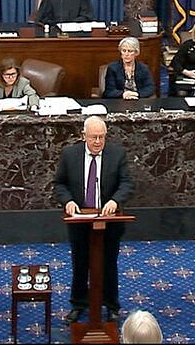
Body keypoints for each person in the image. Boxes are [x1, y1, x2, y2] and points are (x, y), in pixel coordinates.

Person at [54, 116, 135, 324]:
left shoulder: (117, 155)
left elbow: (126, 183)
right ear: (84, 136)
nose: (98, 141)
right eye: (93, 137)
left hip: (109, 221)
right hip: (79, 221)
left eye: (101, 137)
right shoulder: (70, 155)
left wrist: (115, 202)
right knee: (80, 263)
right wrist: (68, 202)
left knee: (109, 264)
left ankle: (111, 305)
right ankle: (79, 304)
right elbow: (59, 184)